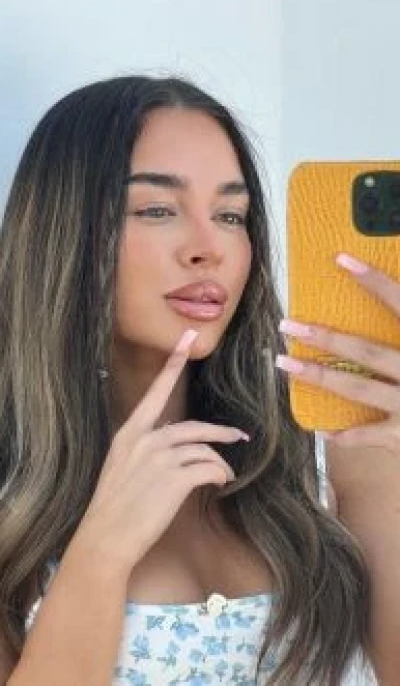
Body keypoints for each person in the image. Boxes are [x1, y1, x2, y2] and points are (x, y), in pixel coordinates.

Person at [0, 75, 391, 685]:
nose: (210, 248)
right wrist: (102, 550)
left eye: (231, 215)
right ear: (63, 231)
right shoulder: (15, 500)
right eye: (158, 209)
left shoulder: (323, 455)